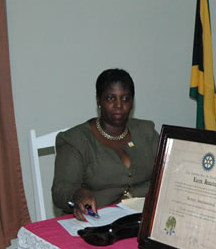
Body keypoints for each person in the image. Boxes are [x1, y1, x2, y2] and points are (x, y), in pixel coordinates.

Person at [52, 68, 158, 221]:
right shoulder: (76, 140)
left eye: (125, 98)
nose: (119, 105)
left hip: (144, 218)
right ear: (98, 100)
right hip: (97, 221)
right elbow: (60, 192)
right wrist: (79, 194)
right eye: (110, 98)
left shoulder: (146, 132)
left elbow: (168, 172)